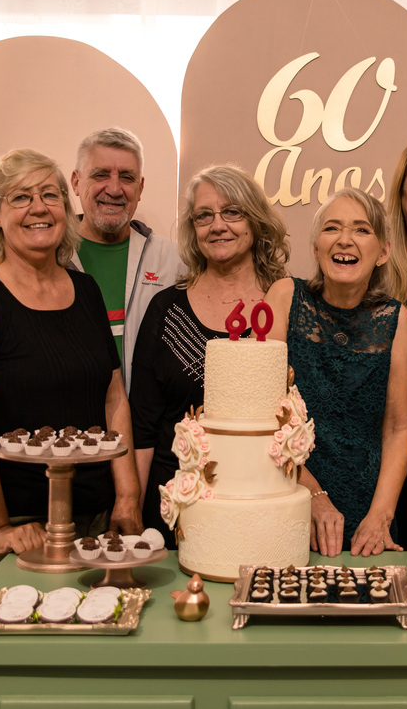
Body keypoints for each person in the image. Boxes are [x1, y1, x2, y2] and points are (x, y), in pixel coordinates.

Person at [0, 149, 142, 585]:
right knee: (21, 642)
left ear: (66, 211)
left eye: (50, 195)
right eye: (20, 197)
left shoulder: (86, 290)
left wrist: (126, 497)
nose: (38, 208)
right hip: (15, 519)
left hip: (92, 512)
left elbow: (113, 399)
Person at [129, 164, 290, 548]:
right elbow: (143, 425)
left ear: (255, 221)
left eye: (232, 212)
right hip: (175, 506)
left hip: (264, 503)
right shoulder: (165, 310)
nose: (218, 225)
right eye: (204, 216)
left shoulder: (286, 303)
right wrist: (131, 510)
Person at [0, 127, 184, 392]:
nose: (114, 188)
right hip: (70, 421)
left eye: (127, 177)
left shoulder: (172, 260)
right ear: (75, 182)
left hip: (146, 425)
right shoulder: (43, 252)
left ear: (140, 187)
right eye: (100, 175)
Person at [265, 187, 407, 557]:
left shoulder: (397, 320)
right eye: (332, 228)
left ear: (383, 252)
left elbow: (400, 428)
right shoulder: (285, 297)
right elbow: (262, 415)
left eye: (362, 230)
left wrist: (380, 514)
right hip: (289, 499)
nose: (345, 240)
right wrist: (310, 494)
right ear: (316, 248)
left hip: (370, 518)